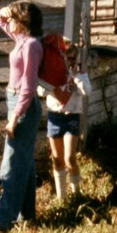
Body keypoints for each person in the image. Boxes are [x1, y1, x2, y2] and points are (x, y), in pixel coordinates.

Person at [0, 0, 44, 233]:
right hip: (15, 101)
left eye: (14, 18)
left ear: (23, 22)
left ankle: (3, 223)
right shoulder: (21, 40)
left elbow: (29, 86)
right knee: (25, 162)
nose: (9, 22)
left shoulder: (31, 45)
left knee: (11, 165)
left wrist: (14, 117)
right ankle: (28, 216)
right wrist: (12, 8)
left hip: (23, 106)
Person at [41, 41, 92, 200]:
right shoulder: (52, 74)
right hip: (55, 117)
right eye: (64, 58)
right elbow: (41, 91)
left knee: (69, 157)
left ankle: (77, 195)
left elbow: (86, 91)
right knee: (57, 158)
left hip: (71, 117)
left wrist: (76, 78)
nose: (68, 62)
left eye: (71, 58)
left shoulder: (78, 75)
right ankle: (61, 198)